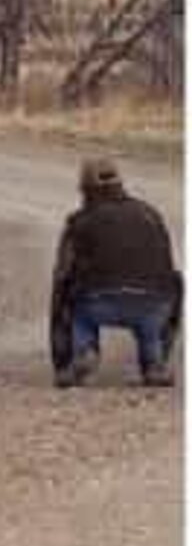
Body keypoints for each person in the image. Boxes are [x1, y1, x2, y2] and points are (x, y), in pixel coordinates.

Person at [51, 158, 180, 388]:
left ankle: (84, 350)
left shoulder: (79, 221)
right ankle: (154, 362)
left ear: (84, 188)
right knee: (156, 308)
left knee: (75, 303)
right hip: (153, 304)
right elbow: (168, 267)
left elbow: (63, 275)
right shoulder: (150, 213)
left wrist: (60, 359)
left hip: (99, 302)